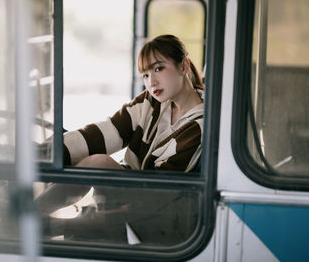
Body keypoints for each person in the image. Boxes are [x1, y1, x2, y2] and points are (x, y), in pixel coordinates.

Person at [63, 34, 205, 172]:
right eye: (145, 75)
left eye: (158, 69)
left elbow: (164, 184)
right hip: (133, 183)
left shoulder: (201, 126)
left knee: (98, 162)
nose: (151, 82)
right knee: (95, 160)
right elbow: (107, 133)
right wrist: (51, 151)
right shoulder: (149, 102)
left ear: (183, 66)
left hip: (152, 192)